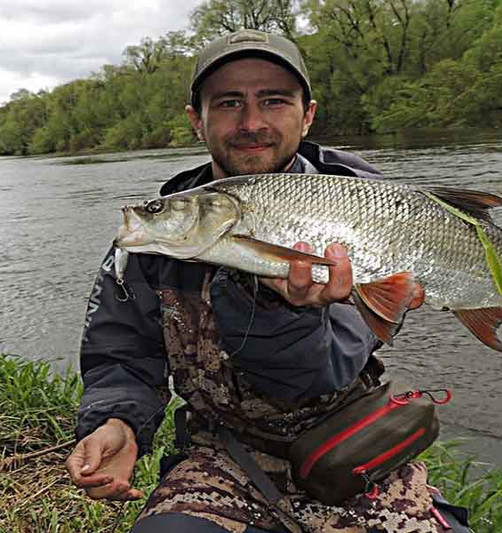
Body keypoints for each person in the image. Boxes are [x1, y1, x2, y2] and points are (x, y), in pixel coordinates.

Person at [65, 29, 470, 532]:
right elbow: (122, 351)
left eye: (274, 101)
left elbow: (321, 371)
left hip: (354, 445)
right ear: (198, 121)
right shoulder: (163, 233)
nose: (252, 123)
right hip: (220, 457)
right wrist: (118, 421)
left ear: (308, 115)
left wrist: (284, 309)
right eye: (229, 102)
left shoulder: (370, 214)